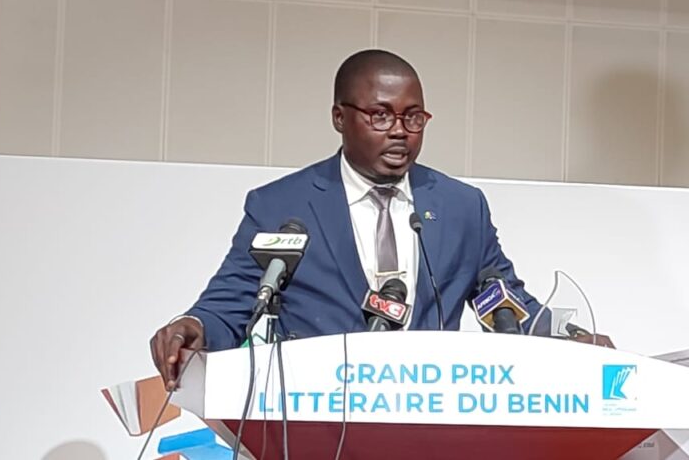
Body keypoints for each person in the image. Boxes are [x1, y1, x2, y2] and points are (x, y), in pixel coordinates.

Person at [149, 49, 609, 389]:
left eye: (414, 117)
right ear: (339, 117)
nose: (400, 132)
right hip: (318, 420)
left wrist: (566, 341)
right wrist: (194, 326)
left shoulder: (461, 207)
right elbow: (231, 304)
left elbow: (503, 300)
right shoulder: (281, 205)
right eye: (381, 115)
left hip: (431, 419)